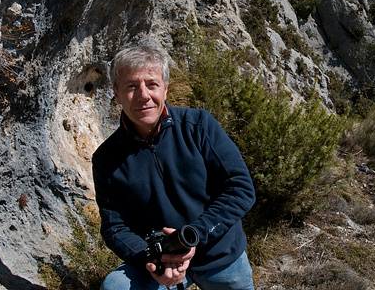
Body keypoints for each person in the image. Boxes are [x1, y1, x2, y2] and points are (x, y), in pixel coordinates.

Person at [93, 44, 256, 290]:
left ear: (165, 89)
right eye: (131, 86)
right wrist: (151, 259)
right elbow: (115, 227)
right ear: (116, 93)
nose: (143, 95)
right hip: (160, 264)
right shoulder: (106, 158)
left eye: (152, 84)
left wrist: (195, 234)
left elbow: (240, 188)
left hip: (220, 256)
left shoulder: (198, 126)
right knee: (115, 286)